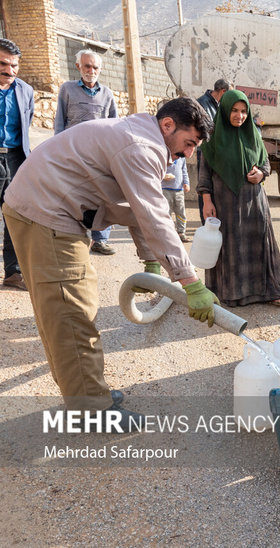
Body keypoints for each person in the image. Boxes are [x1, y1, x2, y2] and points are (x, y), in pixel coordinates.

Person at [2, 97, 219, 427]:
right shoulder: (140, 146)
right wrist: (190, 281)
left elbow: (134, 208)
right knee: (71, 312)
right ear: (168, 125)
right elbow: (155, 215)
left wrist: (152, 262)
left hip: (42, 207)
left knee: (61, 310)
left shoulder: (137, 136)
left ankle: (84, 392)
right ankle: (93, 410)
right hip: (48, 214)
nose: (189, 154)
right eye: (189, 144)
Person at [198, 89, 280, 307]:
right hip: (224, 203)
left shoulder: (254, 135)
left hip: (254, 202)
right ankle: (232, 293)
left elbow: (265, 163)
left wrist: (261, 174)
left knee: (259, 245)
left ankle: (269, 291)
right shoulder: (213, 137)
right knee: (230, 246)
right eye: (235, 111)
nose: (240, 116)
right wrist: (207, 201)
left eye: (244, 111)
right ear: (226, 110)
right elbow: (204, 173)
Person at [54, 49, 120, 255]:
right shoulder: (67, 89)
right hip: (73, 153)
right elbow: (60, 121)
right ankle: (76, 237)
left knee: (103, 195)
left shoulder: (107, 94)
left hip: (99, 155)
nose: (91, 71)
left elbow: (114, 124)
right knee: (74, 194)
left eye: (95, 67)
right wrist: (58, 148)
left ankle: (100, 239)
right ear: (78, 67)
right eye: (87, 66)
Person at [0, 38, 33, 291]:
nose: (9, 70)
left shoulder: (25, 91)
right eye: (3, 64)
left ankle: (13, 272)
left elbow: (26, 123)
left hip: (14, 158)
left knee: (14, 215)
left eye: (14, 65)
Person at [195, 78, 232, 223]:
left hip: (216, 154)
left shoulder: (216, 105)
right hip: (206, 154)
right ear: (223, 92)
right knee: (205, 189)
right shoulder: (203, 105)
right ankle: (206, 222)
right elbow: (207, 131)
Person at [162, 156, 191, 242]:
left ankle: (181, 232)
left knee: (181, 212)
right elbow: (157, 169)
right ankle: (168, 233)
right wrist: (163, 176)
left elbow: (184, 171)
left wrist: (186, 183)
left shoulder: (182, 158)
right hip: (165, 189)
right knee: (167, 212)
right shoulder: (164, 155)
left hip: (179, 190)